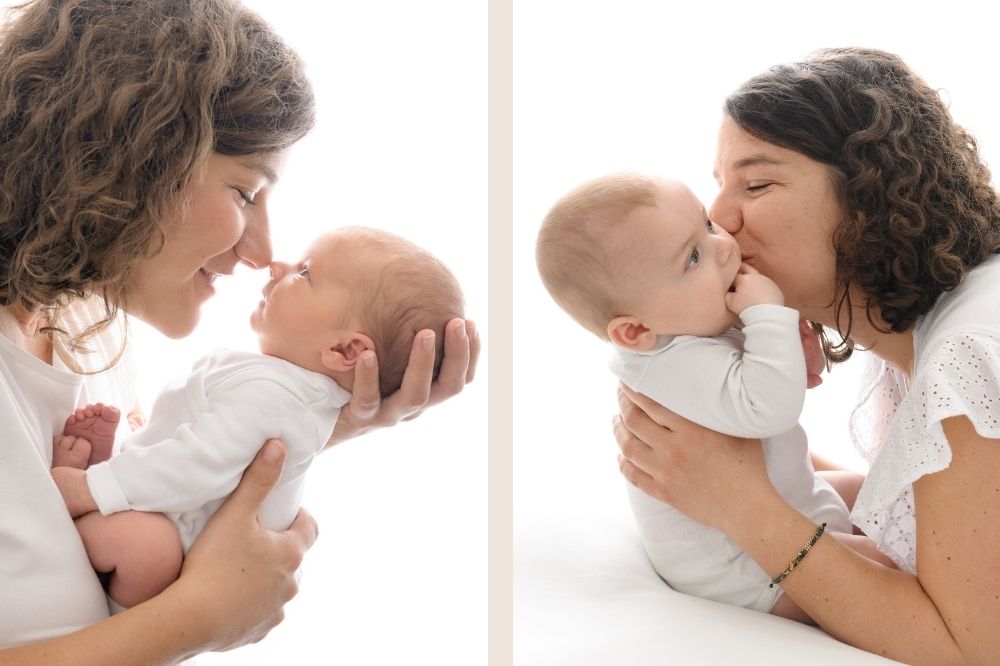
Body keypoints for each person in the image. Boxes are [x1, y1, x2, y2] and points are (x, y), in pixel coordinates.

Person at [0, 1, 478, 662]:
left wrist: (317, 421)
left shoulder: (87, 324)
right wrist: (202, 616)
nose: (262, 253)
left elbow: (184, 475)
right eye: (246, 194)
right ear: (128, 162)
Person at [614, 47, 1000, 663]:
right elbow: (927, 512)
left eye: (757, 183)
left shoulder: (968, 354)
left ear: (867, 196)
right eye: (719, 184)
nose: (716, 217)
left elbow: (971, 648)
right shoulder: (930, 321)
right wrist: (710, 449)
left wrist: (740, 506)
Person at [536, 173, 893, 622]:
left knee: (879, 494)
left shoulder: (688, 322)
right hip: (744, 566)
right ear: (636, 331)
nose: (723, 245)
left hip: (787, 498)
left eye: (706, 224)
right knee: (885, 564)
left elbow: (776, 381)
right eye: (692, 258)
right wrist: (768, 316)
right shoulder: (670, 370)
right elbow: (771, 408)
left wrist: (793, 349)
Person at [50, 227, 465, 609]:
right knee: (149, 469)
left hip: (174, 554)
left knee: (144, 545)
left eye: (305, 274)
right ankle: (118, 463)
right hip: (171, 508)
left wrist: (88, 488)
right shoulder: (288, 390)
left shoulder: (278, 400)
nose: (277, 266)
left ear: (345, 352)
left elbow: (195, 465)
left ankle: (86, 504)